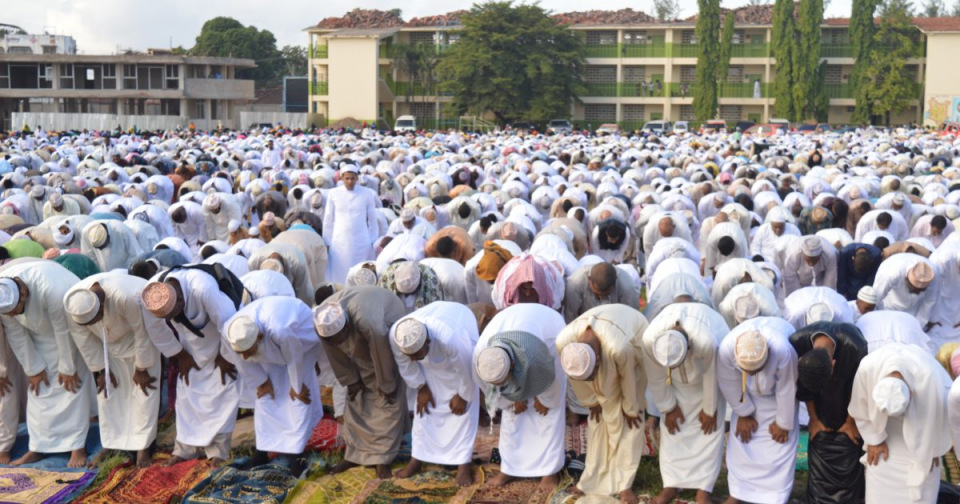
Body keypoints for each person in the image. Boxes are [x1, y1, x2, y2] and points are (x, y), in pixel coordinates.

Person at [63, 271, 165, 468]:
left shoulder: (125, 296)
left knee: (144, 393)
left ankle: (143, 449)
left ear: (101, 307)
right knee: (109, 394)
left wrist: (141, 368)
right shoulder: (72, 302)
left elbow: (142, 332)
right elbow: (83, 338)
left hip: (139, 343)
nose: (92, 324)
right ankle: (111, 445)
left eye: (94, 320)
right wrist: (101, 370)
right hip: (107, 348)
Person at [140, 268, 240, 467]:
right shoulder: (152, 294)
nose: (168, 320)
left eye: (170, 315)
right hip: (189, 347)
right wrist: (180, 355)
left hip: (221, 339)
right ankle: (184, 450)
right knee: (186, 394)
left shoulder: (203, 288)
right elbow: (155, 328)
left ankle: (218, 453)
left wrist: (225, 355)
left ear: (179, 300)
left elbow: (229, 322)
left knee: (223, 390)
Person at [0, 261, 93, 467]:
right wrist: (32, 368)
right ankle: (38, 447)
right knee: (38, 389)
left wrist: (67, 367)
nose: (12, 315)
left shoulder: (51, 288)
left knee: (72, 385)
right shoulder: (4, 296)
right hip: (37, 335)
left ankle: (77, 447)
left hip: (70, 332)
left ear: (23, 293)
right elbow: (15, 333)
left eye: (15, 311)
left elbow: (63, 329)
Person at [313, 285, 409, 479]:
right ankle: (354, 455)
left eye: (338, 339)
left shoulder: (370, 323)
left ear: (347, 327)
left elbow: (382, 354)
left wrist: (386, 383)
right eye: (331, 340)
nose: (336, 344)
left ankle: (382, 459)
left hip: (388, 322)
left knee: (387, 397)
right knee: (357, 395)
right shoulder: (322, 320)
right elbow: (333, 351)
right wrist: (351, 379)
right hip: (362, 322)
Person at [223, 296, 325, 476]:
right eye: (242, 352)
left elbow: (294, 357)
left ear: (259, 337)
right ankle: (262, 452)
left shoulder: (281, 330)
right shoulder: (229, 331)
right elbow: (240, 360)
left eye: (248, 352)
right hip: (268, 344)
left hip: (302, 337)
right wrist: (260, 381)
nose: (245, 356)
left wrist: (297, 385)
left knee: (298, 397)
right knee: (267, 396)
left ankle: (297, 456)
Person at [557, 304, 648, 504]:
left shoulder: (619, 349)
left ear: (598, 359)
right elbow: (575, 378)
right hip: (607, 334)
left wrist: (631, 408)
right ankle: (589, 480)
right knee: (597, 418)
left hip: (635, 337)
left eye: (593, 374)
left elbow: (629, 379)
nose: (592, 380)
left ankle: (624, 484)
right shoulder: (564, 343)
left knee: (630, 421)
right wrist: (591, 401)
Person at [474, 302, 566, 492]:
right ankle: (510, 468)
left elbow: (549, 377)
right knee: (512, 414)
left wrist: (542, 398)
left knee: (548, 411)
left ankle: (550, 471)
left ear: (514, 365)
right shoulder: (480, 356)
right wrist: (512, 399)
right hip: (517, 332)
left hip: (550, 339)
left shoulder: (536, 353)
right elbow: (487, 388)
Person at [642, 303, 728, 504]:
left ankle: (703, 490)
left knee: (709, 430)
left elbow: (712, 374)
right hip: (674, 384)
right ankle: (671, 485)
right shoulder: (650, 339)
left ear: (688, 347)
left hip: (708, 380)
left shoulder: (706, 341)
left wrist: (709, 408)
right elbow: (655, 377)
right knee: (672, 429)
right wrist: (668, 407)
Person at [389, 302, 480, 486]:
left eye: (415, 354)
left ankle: (463, 463)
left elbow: (466, 370)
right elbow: (405, 364)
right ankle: (417, 459)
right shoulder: (397, 335)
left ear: (428, 342)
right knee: (425, 407)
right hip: (430, 360)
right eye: (409, 354)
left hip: (460, 335)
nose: (411, 359)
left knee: (463, 410)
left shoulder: (450, 338)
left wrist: (463, 395)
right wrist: (421, 386)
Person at [849, 343, 952, 503]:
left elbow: (944, 417)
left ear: (911, 393)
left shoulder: (932, 378)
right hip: (885, 443)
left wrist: (933, 448)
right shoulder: (868, 367)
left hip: (922, 440)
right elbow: (859, 407)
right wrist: (874, 439)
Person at [717, 317, 799, 504]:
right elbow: (728, 382)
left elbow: (787, 387)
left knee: (779, 448)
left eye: (756, 368)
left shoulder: (782, 350)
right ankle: (737, 494)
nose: (752, 372)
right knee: (741, 445)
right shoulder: (728, 348)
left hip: (780, 399)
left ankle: (775, 498)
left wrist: (783, 423)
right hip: (746, 395)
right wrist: (743, 412)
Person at [789, 321, 869, 504]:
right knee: (820, 437)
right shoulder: (797, 342)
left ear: (834, 364)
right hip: (820, 404)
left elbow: (858, 387)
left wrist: (850, 422)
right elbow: (805, 387)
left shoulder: (855, 346)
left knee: (849, 444)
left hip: (847, 400)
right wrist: (814, 419)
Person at [323, 165, 380, 284]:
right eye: (347, 178)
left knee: (361, 273)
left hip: (361, 241)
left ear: (357, 178)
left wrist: (371, 239)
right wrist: (328, 241)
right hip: (339, 241)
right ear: (342, 178)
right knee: (338, 273)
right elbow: (328, 218)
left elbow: (372, 219)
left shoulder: (367, 193)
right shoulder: (333, 193)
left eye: (352, 178)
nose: (350, 181)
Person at [872, 254, 939, 331]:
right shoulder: (891, 274)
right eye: (914, 290)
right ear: (907, 279)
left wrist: (919, 325)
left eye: (921, 290)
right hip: (890, 302)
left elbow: (930, 301)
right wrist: (879, 319)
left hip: (914, 308)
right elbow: (876, 298)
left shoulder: (933, 275)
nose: (917, 293)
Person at [562, 262, 641, 323]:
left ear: (615, 283)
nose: (601, 297)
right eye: (596, 294)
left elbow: (631, 319)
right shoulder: (576, 283)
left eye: (606, 295)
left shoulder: (628, 288)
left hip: (615, 323)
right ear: (589, 279)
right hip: (583, 323)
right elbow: (570, 315)